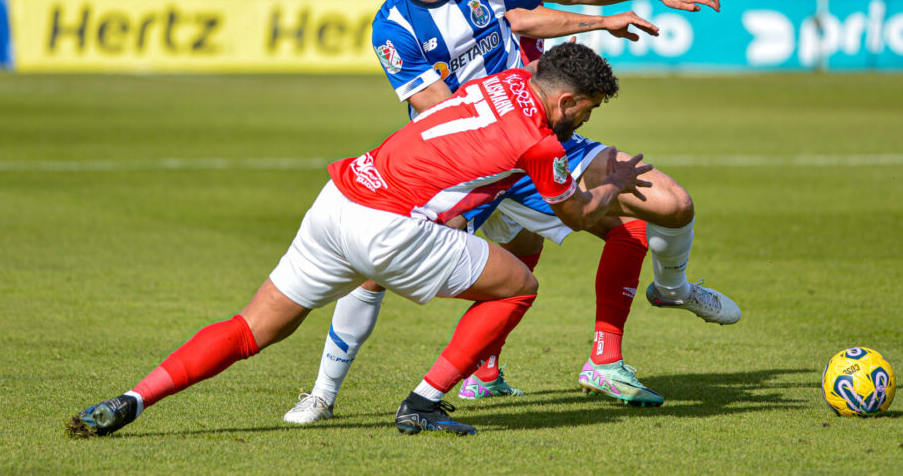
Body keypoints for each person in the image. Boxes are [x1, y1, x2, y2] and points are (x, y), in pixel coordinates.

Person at [283, 0, 739, 425]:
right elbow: (442, 116)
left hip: (538, 146)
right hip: (468, 162)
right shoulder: (396, 28)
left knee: (665, 206)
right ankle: (322, 392)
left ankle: (654, 307)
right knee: (375, 272)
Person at [67, 43, 650, 438]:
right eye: (587, 112)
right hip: (388, 226)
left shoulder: (501, 81)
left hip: (338, 201)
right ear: (567, 100)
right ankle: (422, 404)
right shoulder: (542, 142)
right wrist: (614, 183)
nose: (583, 123)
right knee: (518, 287)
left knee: (253, 327)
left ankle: (133, 399)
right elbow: (574, 213)